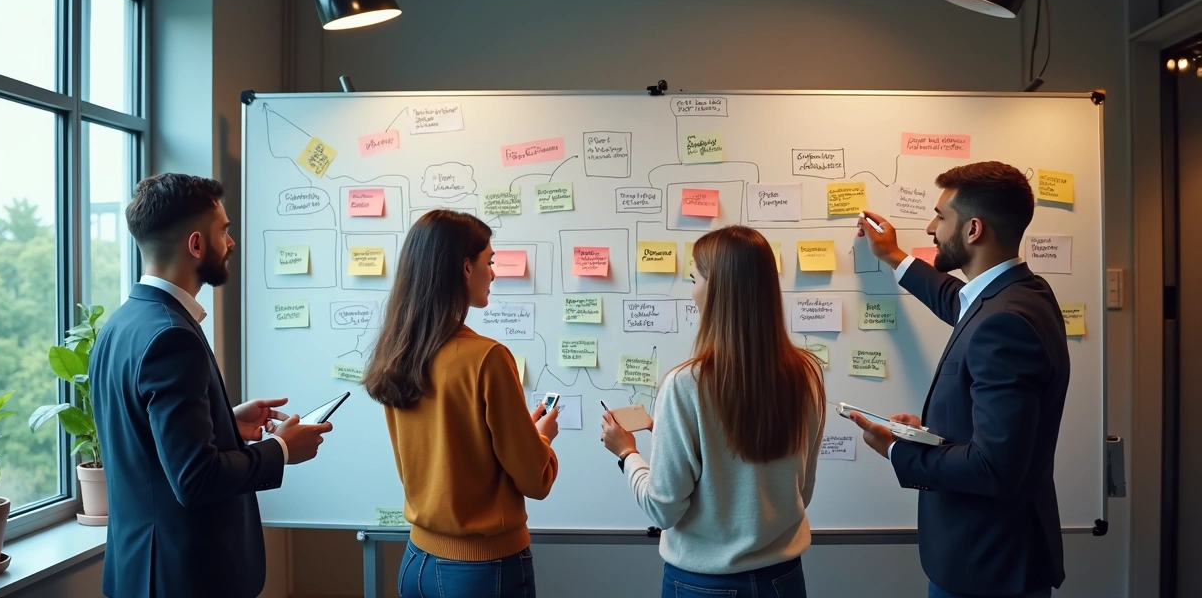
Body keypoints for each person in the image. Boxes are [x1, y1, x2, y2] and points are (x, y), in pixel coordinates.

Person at [91, 173, 333, 598]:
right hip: (183, 578)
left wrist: (225, 420)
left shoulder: (120, 325)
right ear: (196, 245)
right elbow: (195, 479)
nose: (232, 242)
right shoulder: (172, 336)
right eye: (224, 230)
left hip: (141, 571)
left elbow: (146, 444)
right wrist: (281, 449)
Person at [851, 161, 1070, 598]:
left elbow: (995, 468)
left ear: (972, 230)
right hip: (992, 558)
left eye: (940, 216)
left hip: (986, 567)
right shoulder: (1021, 293)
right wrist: (894, 257)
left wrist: (898, 451)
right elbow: (958, 301)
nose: (931, 228)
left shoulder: (1003, 320)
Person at [599, 225, 826, 598]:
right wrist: (673, 439)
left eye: (694, 279)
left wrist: (627, 454)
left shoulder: (685, 384)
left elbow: (663, 510)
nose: (692, 293)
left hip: (704, 584)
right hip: (783, 579)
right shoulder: (807, 374)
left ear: (718, 289)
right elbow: (798, 486)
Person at [363, 209, 560, 598]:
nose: (494, 272)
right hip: (482, 571)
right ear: (465, 268)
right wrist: (542, 438)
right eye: (489, 262)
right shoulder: (487, 358)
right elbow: (535, 480)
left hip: (416, 563)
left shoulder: (397, 353)